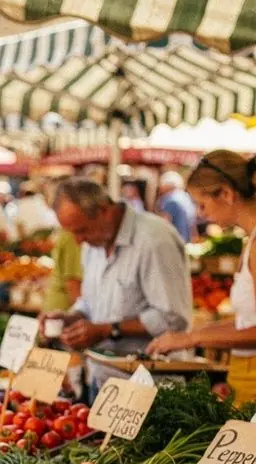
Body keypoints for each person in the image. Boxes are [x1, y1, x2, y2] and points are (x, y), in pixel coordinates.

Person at [49, 178, 192, 388]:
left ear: (104, 210)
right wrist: (71, 317)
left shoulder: (154, 240)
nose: (78, 241)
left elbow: (173, 318)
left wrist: (108, 330)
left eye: (81, 230)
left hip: (149, 384)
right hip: (101, 376)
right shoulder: (93, 245)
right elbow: (90, 301)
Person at [148, 151, 256, 402]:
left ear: (226, 194)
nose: (200, 213)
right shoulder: (249, 241)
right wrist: (197, 333)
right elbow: (247, 323)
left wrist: (192, 337)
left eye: (202, 204)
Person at [43, 225, 82, 314]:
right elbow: (73, 284)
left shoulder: (66, 235)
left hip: (57, 308)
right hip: (63, 310)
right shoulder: (72, 237)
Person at [156, 169, 198, 245]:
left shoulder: (169, 199)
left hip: (175, 242)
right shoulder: (186, 197)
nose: (160, 188)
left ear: (166, 185)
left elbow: (164, 224)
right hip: (187, 241)